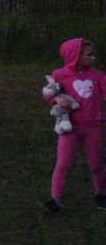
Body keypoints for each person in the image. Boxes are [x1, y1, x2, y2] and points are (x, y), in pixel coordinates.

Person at [43, 38, 106, 213]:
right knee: (63, 163)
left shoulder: (98, 76)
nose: (93, 58)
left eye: (93, 54)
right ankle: (55, 200)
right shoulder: (59, 74)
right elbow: (48, 93)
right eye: (89, 55)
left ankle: (101, 193)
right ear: (75, 56)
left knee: (96, 165)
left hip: (94, 127)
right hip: (68, 127)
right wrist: (57, 98)